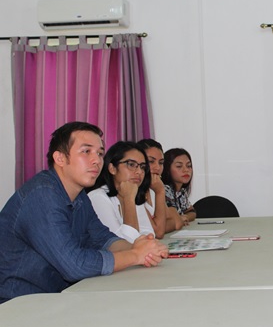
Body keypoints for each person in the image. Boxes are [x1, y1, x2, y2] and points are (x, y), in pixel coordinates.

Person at [0, 122, 168, 304]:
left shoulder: (79, 195)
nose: (96, 160)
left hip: (58, 298)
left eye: (100, 153)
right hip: (19, 305)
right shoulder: (42, 194)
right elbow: (74, 265)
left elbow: (102, 238)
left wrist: (141, 247)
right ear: (60, 158)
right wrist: (135, 255)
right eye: (86, 152)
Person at [88, 141, 164, 242]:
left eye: (142, 167)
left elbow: (149, 234)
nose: (139, 172)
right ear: (112, 168)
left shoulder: (133, 193)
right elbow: (122, 243)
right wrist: (128, 200)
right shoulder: (98, 197)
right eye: (131, 164)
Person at [138, 139, 184, 233]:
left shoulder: (153, 189)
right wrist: (160, 192)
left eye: (161, 163)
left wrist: (161, 225)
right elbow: (158, 231)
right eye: (151, 161)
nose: (158, 168)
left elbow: (176, 222)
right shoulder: (134, 191)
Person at [162, 148, 197, 225]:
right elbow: (173, 220)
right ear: (167, 169)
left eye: (188, 166)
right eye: (179, 166)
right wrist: (180, 219)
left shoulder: (181, 191)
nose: (186, 170)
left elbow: (192, 212)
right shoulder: (164, 190)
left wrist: (185, 217)